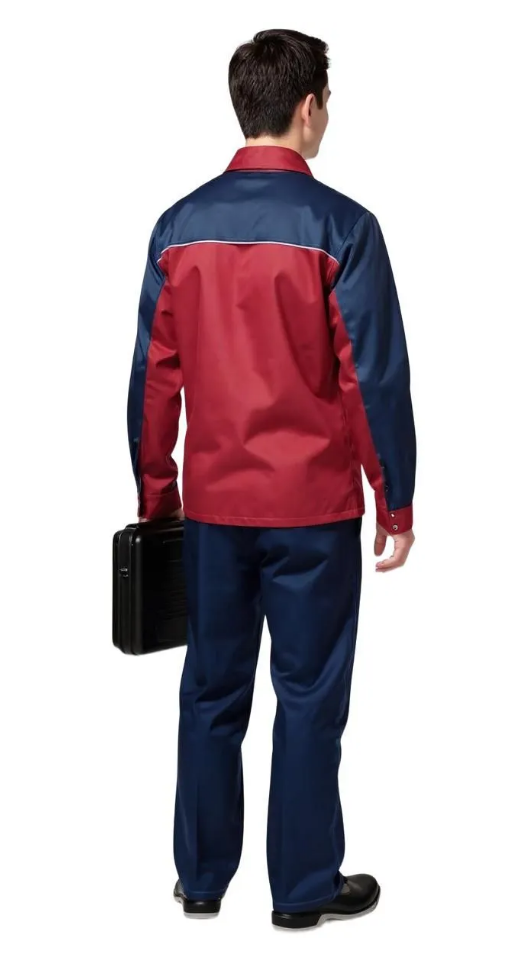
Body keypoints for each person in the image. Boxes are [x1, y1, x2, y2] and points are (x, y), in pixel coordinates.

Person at [126, 28, 416, 930]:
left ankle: (201, 880)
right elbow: (372, 377)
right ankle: (302, 888)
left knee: (211, 691)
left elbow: (153, 380)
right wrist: (395, 498)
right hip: (312, 513)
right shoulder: (343, 228)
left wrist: (157, 499)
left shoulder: (177, 229)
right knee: (309, 697)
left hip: (214, 513)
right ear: (308, 107)